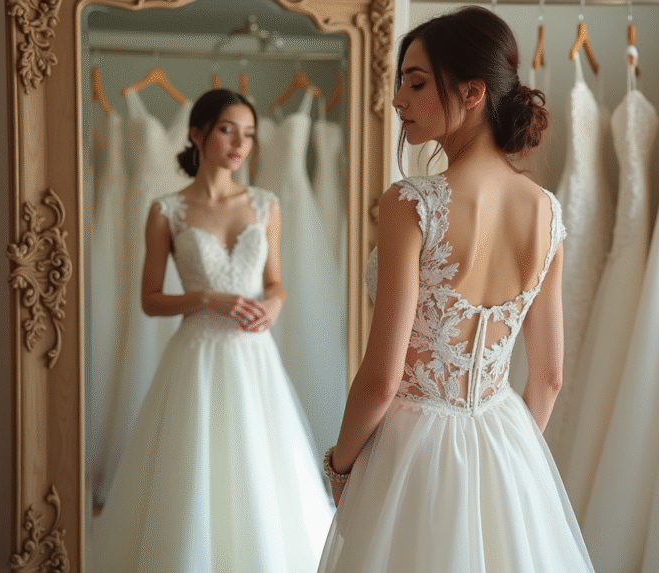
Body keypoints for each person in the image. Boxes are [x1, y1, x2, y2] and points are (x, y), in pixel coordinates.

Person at [317, 7, 594, 571]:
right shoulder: (547, 211)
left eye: (416, 83)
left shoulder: (413, 203)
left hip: (410, 450)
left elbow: (382, 377)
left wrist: (340, 466)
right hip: (505, 436)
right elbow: (548, 377)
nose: (398, 100)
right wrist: (511, 464)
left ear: (471, 93)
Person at [88, 88, 332, 572]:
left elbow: (276, 283)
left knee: (258, 471)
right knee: (193, 469)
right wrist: (205, 298)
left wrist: (275, 307)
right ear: (197, 134)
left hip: (253, 356)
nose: (240, 143)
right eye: (227, 130)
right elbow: (149, 300)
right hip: (195, 354)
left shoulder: (266, 205)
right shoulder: (166, 210)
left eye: (249, 134)